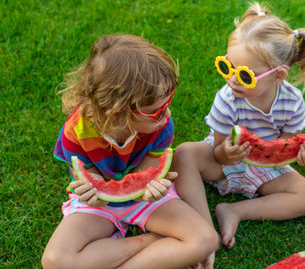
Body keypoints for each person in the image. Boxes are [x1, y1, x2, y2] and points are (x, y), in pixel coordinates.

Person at [41, 34, 219, 269]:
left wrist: (150, 191)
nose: (167, 115)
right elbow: (88, 177)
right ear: (117, 112)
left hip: (147, 200)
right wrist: (89, 192)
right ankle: (154, 240)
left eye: (168, 102)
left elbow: (148, 171)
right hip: (99, 205)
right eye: (155, 111)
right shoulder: (77, 132)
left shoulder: (162, 127)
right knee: (55, 261)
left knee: (207, 240)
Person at [172, 2, 305, 265]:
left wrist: (302, 155)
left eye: (245, 75)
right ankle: (204, 232)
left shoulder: (292, 100)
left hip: (266, 171)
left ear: (278, 76)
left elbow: (286, 146)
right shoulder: (227, 98)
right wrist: (226, 153)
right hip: (223, 164)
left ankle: (235, 210)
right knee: (185, 153)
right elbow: (217, 152)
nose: (232, 80)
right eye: (227, 68)